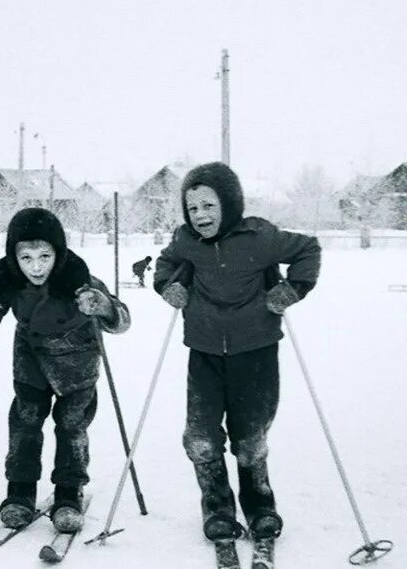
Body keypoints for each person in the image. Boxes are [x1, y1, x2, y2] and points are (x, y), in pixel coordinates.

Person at [153, 162, 320, 543]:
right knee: (201, 438)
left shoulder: (259, 236)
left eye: (209, 206)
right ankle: (217, 508)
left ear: (229, 203)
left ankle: (260, 506)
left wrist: (292, 289)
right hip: (205, 354)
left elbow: (308, 249)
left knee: (250, 438)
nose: (201, 216)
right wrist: (167, 286)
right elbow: (165, 263)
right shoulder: (186, 240)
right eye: (193, 208)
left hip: (256, 354)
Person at [0, 207, 130, 533]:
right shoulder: (6, 278)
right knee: (25, 421)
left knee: (71, 425)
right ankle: (19, 492)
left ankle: (68, 494)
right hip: (31, 359)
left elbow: (122, 319)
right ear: (14, 257)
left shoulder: (79, 277)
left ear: (59, 252)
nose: (36, 267)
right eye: (26, 258)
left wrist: (104, 306)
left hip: (76, 363)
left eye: (44, 256)